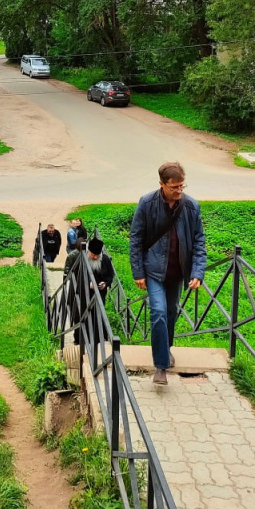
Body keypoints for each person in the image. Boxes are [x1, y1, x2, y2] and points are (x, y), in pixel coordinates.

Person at [129, 161, 206, 386]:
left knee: (171, 313)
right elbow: (136, 239)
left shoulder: (192, 206)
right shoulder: (146, 203)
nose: (180, 191)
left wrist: (197, 271)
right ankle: (161, 366)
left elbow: (199, 240)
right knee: (159, 313)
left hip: (177, 273)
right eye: (175, 187)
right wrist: (138, 272)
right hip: (153, 271)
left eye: (182, 186)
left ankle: (166, 348)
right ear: (161, 184)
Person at [64, 235, 115, 345]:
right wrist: (87, 283)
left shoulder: (105, 259)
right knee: (82, 315)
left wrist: (105, 283)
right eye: (93, 255)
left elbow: (110, 276)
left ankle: (96, 341)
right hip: (82, 293)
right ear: (88, 252)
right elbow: (74, 276)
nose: (95, 258)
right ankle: (80, 340)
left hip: (99, 293)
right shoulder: (80, 259)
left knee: (98, 315)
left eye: (97, 255)